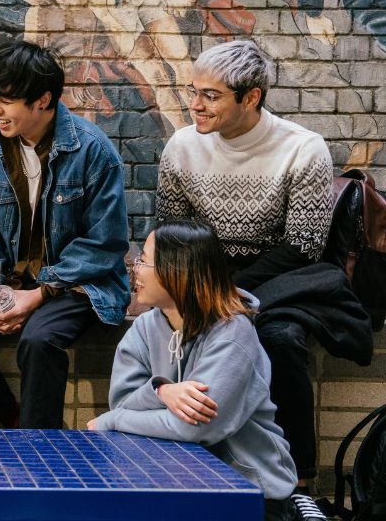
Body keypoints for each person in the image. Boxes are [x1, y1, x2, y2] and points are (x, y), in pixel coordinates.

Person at [155, 39, 372, 518]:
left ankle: (298, 483)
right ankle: (188, 471)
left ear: (250, 97)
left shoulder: (302, 148)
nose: (194, 104)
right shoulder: (183, 146)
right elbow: (171, 231)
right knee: (172, 335)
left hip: (286, 277)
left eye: (210, 95)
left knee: (280, 339)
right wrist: (208, 290)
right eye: (194, 91)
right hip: (206, 274)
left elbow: (303, 245)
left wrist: (234, 292)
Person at [0, 40, 130, 429]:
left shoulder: (92, 150)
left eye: (7, 100)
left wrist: (37, 295)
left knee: (39, 340)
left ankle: (41, 448)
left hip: (79, 284)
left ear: (43, 100)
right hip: (12, 278)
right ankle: (8, 421)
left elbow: (105, 244)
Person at [87, 219, 298, 521]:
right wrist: (162, 390)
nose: (135, 268)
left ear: (177, 270)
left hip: (250, 492)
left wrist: (113, 421)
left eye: (144, 261)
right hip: (177, 484)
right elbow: (122, 400)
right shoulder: (145, 328)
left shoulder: (233, 333)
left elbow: (196, 427)